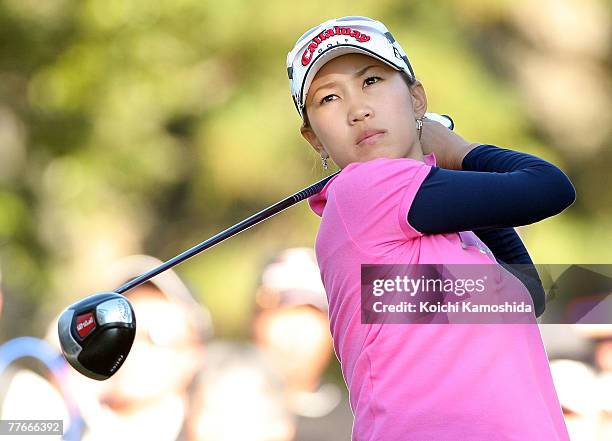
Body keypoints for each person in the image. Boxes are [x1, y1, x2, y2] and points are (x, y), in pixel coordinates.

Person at [286, 16, 576, 440]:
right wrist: (461, 150)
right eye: (329, 98)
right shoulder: (362, 191)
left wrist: (446, 165)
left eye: (371, 81)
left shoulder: (440, 234)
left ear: (416, 98)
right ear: (315, 139)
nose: (358, 109)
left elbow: (528, 295)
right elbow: (549, 188)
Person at [251, 248, 353, 440]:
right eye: (282, 314)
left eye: (309, 316)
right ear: (254, 321)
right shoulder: (214, 411)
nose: (294, 334)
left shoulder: (363, 422)